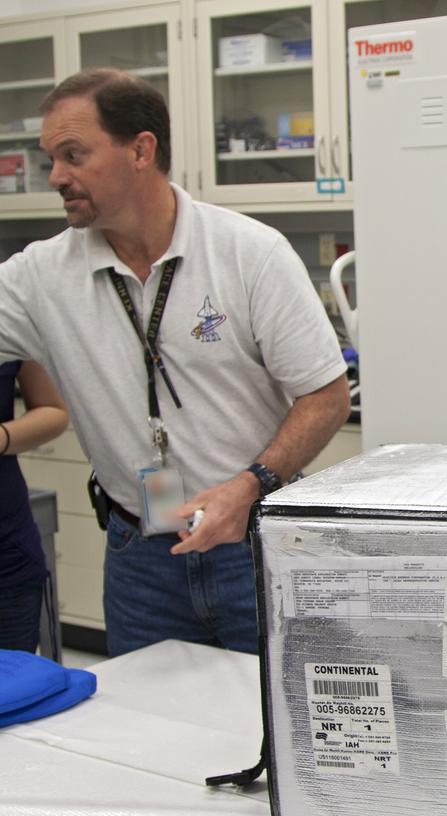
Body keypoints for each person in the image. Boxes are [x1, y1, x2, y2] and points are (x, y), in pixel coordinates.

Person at [0, 69, 349, 656]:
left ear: (141, 149)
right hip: (140, 561)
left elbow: (327, 395)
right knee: (152, 737)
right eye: (51, 158)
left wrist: (248, 486)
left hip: (256, 545)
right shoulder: (39, 277)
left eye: (73, 155)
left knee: (278, 734)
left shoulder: (248, 253)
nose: (56, 176)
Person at [0, 361, 69, 653]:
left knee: (14, 693)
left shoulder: (11, 316)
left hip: (7, 559)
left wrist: (3, 437)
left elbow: (53, 410)